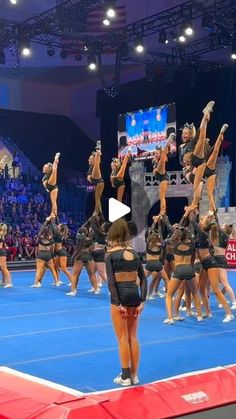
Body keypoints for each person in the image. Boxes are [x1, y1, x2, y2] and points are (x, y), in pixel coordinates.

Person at [106, 218, 147, 386]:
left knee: (122, 338)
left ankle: (125, 377)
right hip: (135, 296)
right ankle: (135, 375)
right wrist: (142, 301)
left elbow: (111, 282)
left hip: (120, 297)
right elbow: (143, 279)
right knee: (133, 337)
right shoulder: (135, 253)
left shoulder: (111, 254)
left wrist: (117, 303)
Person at [30, 219, 59, 287]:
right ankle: (57, 282)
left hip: (41, 254)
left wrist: (46, 221)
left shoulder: (40, 237)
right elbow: (52, 247)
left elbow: (41, 229)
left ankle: (36, 283)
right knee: (52, 269)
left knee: (39, 270)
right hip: (48, 254)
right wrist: (52, 255)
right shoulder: (50, 237)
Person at [42, 152, 60, 219]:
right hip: (49, 186)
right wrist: (46, 189)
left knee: (54, 202)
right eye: (43, 167)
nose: (43, 168)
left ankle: (53, 214)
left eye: (45, 167)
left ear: (48, 169)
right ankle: (54, 214)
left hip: (52, 186)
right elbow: (44, 185)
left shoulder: (50, 173)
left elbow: (53, 170)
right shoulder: (44, 176)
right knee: (54, 202)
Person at [87, 148, 104, 214]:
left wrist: (98, 154)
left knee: (97, 199)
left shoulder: (95, 165)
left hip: (98, 181)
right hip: (96, 182)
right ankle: (98, 212)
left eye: (90, 159)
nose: (88, 160)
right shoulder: (90, 167)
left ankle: (97, 213)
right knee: (97, 199)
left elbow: (98, 162)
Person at [0, 223, 13, 288]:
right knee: (2, 268)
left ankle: (9, 283)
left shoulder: (1, 235)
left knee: (4, 268)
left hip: (1, 252)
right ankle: (3, 282)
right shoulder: (2, 234)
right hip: (2, 252)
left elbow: (0, 246)